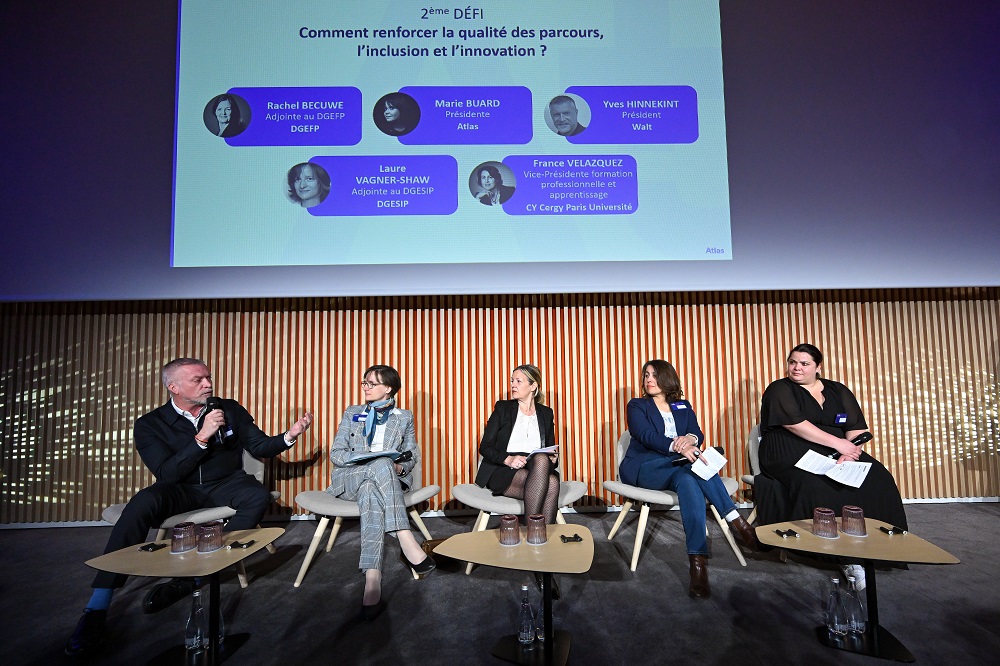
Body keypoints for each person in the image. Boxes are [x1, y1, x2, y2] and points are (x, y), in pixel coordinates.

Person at [65, 358, 313, 656]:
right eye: (198, 380)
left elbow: (259, 446)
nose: (208, 383)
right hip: (180, 488)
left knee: (257, 496)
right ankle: (96, 609)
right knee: (141, 503)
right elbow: (168, 473)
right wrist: (202, 436)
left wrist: (291, 435)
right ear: (174, 387)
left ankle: (196, 576)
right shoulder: (150, 424)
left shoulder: (228, 408)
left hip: (226, 482)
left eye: (208, 377)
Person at [758, 343, 908, 588]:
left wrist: (849, 453)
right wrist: (839, 445)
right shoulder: (779, 389)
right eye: (792, 362)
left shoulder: (838, 390)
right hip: (788, 448)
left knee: (877, 476)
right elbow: (795, 425)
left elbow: (857, 427)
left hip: (837, 448)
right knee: (820, 481)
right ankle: (846, 557)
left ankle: (883, 544)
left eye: (804, 364)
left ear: (818, 367)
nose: (796, 368)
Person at [621, 360, 764, 599]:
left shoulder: (682, 405)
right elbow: (644, 435)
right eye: (646, 375)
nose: (649, 380)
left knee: (689, 478)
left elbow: (697, 432)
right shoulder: (637, 405)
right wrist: (678, 447)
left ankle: (698, 564)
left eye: (655, 375)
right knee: (693, 463)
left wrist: (690, 439)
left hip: (680, 468)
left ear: (668, 378)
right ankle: (738, 521)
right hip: (646, 467)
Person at [327, 364, 435, 620]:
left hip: (380, 483)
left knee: (372, 491)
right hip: (349, 478)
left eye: (371, 383)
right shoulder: (352, 412)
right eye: (364, 383)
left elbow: (412, 456)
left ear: (388, 388)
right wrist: (365, 458)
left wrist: (399, 465)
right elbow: (337, 453)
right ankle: (403, 534)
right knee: (379, 464)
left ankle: (372, 576)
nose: (365, 387)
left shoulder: (404, 417)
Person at [475, 364, 562, 596]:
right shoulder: (503, 408)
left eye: (519, 381)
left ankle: (536, 555)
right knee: (551, 482)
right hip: (504, 470)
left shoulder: (546, 413)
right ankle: (542, 559)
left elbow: (550, 448)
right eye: (512, 380)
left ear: (533, 386)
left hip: (536, 468)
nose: (512, 385)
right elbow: (485, 447)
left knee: (546, 466)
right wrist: (508, 459)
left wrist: (553, 457)